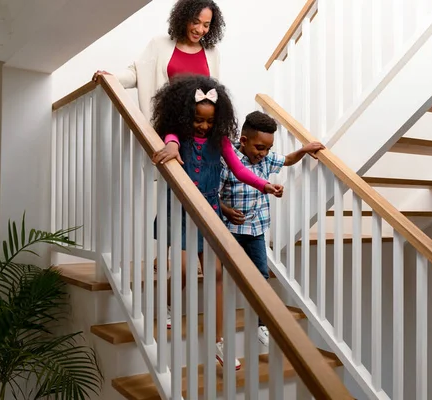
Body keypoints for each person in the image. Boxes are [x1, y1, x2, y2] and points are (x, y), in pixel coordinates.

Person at [151, 76, 283, 370]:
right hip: (182, 208)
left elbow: (239, 169)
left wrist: (264, 186)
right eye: (198, 120)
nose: (203, 127)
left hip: (209, 210)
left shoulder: (220, 141)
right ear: (186, 116)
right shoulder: (177, 136)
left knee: (218, 273)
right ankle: (169, 305)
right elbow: (170, 140)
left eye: (209, 122)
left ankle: (218, 341)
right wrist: (171, 148)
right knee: (184, 267)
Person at [219, 111, 324, 347]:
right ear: (244, 141)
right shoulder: (228, 161)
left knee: (262, 275)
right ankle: (221, 329)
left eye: (268, 148)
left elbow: (286, 160)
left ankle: (260, 323)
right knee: (225, 278)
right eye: (259, 147)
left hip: (256, 229)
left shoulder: (266, 159)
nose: (263, 153)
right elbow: (213, 195)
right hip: (231, 231)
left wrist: (304, 150)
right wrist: (225, 210)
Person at [94, 0, 225, 121]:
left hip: (200, 129)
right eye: (195, 22)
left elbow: (214, 93)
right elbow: (137, 73)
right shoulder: (160, 44)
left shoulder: (212, 53)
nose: (200, 29)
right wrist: (112, 78)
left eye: (206, 25)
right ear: (184, 18)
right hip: (168, 125)